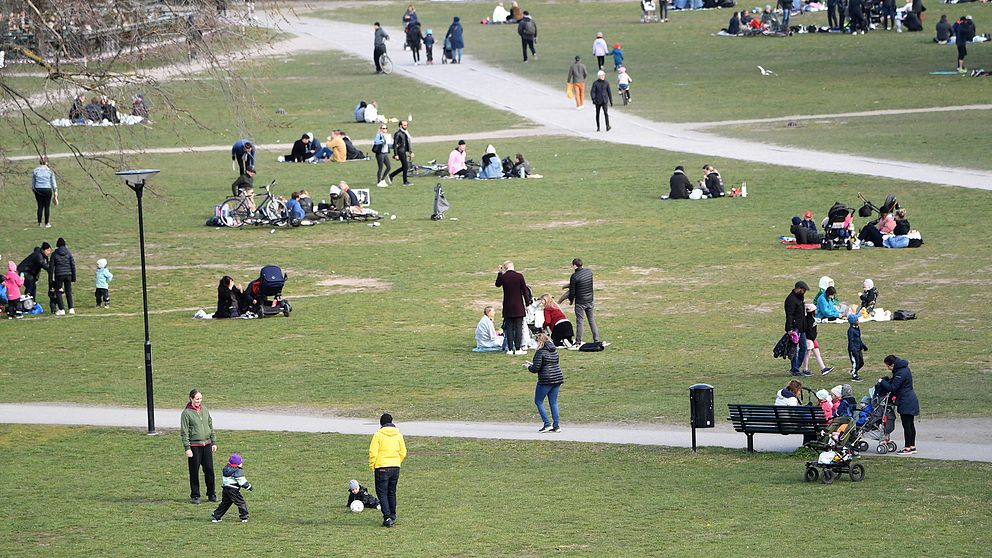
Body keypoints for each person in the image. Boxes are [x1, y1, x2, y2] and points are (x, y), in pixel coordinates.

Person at [876, 355, 920, 455]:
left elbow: (892, 387)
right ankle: (912, 446)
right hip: (910, 399)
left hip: (906, 401)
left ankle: (907, 447)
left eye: (888, 366)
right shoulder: (904, 369)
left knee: (907, 425)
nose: (888, 368)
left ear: (892, 364)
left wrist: (882, 381)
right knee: (910, 424)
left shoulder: (900, 372)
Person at [369, 413, 406, 527]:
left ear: (381, 423)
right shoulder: (398, 435)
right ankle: (393, 515)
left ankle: (387, 517)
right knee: (391, 492)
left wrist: (373, 465)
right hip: (395, 467)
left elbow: (373, 452)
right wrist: (397, 462)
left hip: (382, 467)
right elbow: (403, 452)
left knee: (382, 493)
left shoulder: (378, 435)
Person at [181, 388, 217, 505]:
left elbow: (210, 425)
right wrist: (187, 448)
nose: (199, 401)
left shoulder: (205, 409)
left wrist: (214, 442)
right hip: (194, 446)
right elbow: (184, 431)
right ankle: (195, 495)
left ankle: (211, 494)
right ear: (191, 398)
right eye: (197, 399)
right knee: (194, 472)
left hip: (206, 444)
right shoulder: (186, 413)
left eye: (200, 399)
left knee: (209, 470)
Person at [524, 332, 564, 432]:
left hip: (545, 380)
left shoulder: (540, 352)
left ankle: (547, 424)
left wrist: (528, 366)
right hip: (557, 378)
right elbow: (550, 363)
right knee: (553, 403)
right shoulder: (554, 350)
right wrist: (534, 364)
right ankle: (556, 425)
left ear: (539, 341)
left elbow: (535, 369)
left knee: (538, 401)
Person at [563, 258, 602, 348]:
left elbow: (572, 292)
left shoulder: (574, 276)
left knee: (580, 322)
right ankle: (596, 339)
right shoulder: (589, 272)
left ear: (574, 265)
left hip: (580, 302)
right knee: (591, 320)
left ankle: (578, 341)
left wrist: (570, 300)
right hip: (590, 300)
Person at [496, 260, 531, 355]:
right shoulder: (519, 276)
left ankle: (510, 349)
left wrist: (500, 272)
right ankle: (518, 348)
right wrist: (527, 304)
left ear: (505, 267)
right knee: (518, 327)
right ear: (512, 266)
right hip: (518, 305)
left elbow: (497, 284)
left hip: (507, 306)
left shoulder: (504, 277)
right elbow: (524, 291)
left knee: (509, 328)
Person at [210, 453, 252, 523]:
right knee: (240, 502)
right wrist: (248, 486)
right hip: (233, 490)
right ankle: (244, 517)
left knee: (225, 503)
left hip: (225, 489)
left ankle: (216, 516)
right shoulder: (237, 471)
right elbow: (242, 481)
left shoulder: (226, 468)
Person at [785, 280, 810, 377]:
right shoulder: (791, 300)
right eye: (803, 290)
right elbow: (789, 315)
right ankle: (795, 369)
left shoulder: (799, 298)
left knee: (803, 347)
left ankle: (796, 367)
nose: (804, 292)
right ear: (798, 289)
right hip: (795, 328)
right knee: (794, 349)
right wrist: (790, 329)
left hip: (801, 327)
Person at [802, 304, 833, 376]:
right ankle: (805, 369)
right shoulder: (810, 320)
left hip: (812, 340)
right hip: (809, 340)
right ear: (812, 311)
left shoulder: (809, 319)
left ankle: (823, 368)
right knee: (807, 355)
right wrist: (812, 338)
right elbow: (809, 331)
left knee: (817, 354)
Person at [48, 237, 76, 316]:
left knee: (58, 291)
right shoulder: (68, 253)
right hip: (68, 274)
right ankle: (71, 308)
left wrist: (50, 279)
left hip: (59, 275)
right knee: (68, 291)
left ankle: (61, 309)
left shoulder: (54, 254)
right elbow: (72, 265)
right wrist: (73, 277)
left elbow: (51, 267)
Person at [31, 157, 57, 228]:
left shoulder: (35, 170)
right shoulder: (50, 171)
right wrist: (55, 192)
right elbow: (53, 183)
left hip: (38, 189)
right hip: (47, 189)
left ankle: (39, 223)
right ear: (47, 162)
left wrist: (34, 190)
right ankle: (47, 223)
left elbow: (33, 183)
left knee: (40, 206)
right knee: (47, 207)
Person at [388, 120, 413, 186]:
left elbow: (407, 143)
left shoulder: (405, 133)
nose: (406, 126)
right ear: (400, 125)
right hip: (400, 151)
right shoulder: (398, 133)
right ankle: (405, 182)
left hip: (403, 151)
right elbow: (395, 144)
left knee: (405, 166)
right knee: (405, 166)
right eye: (404, 125)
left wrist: (410, 152)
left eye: (406, 125)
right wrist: (396, 154)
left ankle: (392, 175)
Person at [847, 314, 867, 382]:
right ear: (853, 321)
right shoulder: (851, 330)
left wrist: (863, 345)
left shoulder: (857, 328)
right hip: (853, 349)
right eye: (857, 320)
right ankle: (854, 375)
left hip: (859, 348)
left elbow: (858, 338)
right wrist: (853, 349)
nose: (858, 321)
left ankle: (853, 371)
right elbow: (851, 340)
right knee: (856, 362)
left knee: (861, 363)